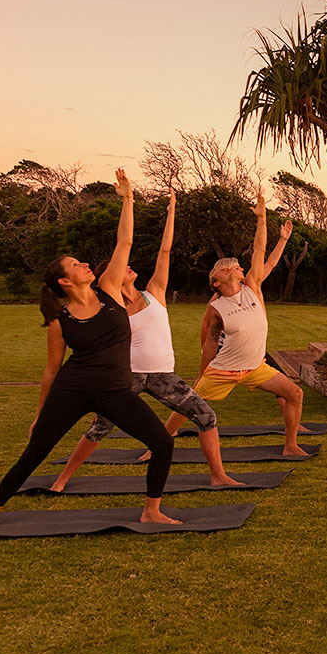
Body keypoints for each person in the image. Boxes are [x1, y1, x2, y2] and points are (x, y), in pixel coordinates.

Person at [0, 170, 178, 537]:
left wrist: (128, 199)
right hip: (72, 390)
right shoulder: (60, 319)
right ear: (65, 281)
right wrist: (39, 415)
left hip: (115, 392)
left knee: (162, 443)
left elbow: (124, 240)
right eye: (76, 265)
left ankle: (151, 511)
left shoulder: (109, 290)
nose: (85, 265)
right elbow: (51, 370)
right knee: (34, 453)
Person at [47, 190, 244, 491]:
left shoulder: (155, 292)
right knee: (100, 428)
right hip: (127, 377)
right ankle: (63, 478)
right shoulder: (111, 307)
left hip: (164, 375)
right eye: (122, 268)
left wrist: (172, 212)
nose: (128, 267)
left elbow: (164, 253)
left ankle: (218, 474)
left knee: (206, 415)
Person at [160, 192, 309, 457]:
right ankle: (161, 441)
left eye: (235, 267)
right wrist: (203, 372)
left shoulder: (252, 287)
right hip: (224, 369)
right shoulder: (217, 308)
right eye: (226, 269)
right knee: (188, 403)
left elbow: (262, 254)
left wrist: (263, 219)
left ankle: (290, 445)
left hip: (255, 367)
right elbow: (209, 341)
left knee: (294, 393)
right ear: (215, 282)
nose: (233, 269)